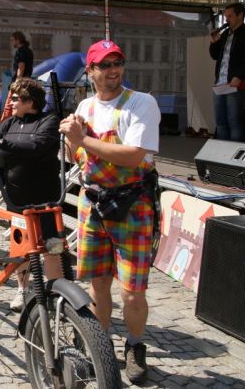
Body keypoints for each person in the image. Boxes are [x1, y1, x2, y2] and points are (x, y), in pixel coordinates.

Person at [59, 40, 160, 384]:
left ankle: (135, 345)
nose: (113, 70)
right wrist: (71, 141)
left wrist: (82, 140)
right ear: (90, 72)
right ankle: (100, 345)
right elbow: (77, 157)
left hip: (132, 205)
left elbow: (133, 155)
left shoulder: (142, 103)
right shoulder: (85, 106)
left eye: (117, 62)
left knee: (132, 289)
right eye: (104, 65)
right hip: (94, 204)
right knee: (99, 282)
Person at [0, 78, 63, 311]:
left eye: (15, 98)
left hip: (46, 199)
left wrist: (4, 144)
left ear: (30, 101)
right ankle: (22, 291)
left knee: (52, 247)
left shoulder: (49, 121)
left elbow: (36, 148)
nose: (10, 102)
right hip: (17, 198)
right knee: (20, 247)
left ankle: (56, 294)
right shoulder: (10, 123)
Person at [209, 3, 245, 141]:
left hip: (236, 84)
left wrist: (239, 76)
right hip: (221, 83)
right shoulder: (226, 34)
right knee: (220, 121)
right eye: (225, 17)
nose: (227, 19)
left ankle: (233, 155)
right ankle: (222, 153)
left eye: (230, 16)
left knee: (234, 120)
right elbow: (215, 56)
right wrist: (214, 42)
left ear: (240, 15)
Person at [0, 31, 34, 122]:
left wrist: (17, 82)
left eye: (12, 40)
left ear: (17, 40)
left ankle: (4, 126)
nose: (11, 42)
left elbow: (21, 67)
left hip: (19, 83)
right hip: (26, 83)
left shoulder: (21, 51)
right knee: (21, 106)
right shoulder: (29, 51)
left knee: (9, 107)